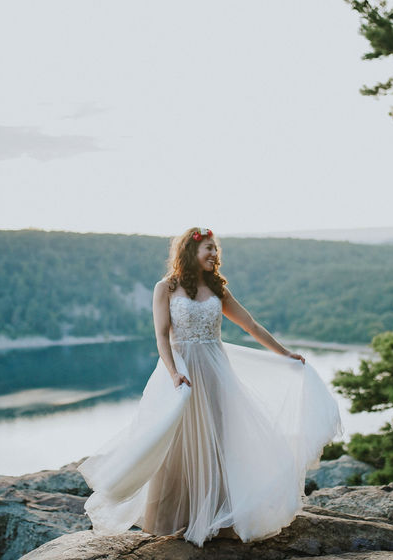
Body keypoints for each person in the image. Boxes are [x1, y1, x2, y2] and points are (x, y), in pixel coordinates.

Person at [77, 227, 342, 547]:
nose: (215, 254)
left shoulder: (218, 289)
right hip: (182, 373)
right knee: (175, 443)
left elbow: (250, 325)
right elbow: (161, 335)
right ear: (191, 252)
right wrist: (174, 373)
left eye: (216, 249)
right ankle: (170, 519)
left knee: (218, 440)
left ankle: (218, 517)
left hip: (216, 373)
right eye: (209, 249)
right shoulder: (166, 288)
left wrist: (284, 353)